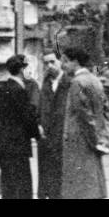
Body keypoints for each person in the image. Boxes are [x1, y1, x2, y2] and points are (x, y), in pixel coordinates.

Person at [59, 46, 108, 199]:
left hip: (79, 139)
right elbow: (106, 110)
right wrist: (102, 138)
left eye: (65, 62)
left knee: (78, 186)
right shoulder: (95, 81)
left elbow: (83, 115)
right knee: (92, 181)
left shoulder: (77, 83)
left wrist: (93, 138)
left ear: (75, 62)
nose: (63, 66)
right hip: (94, 138)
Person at [0, 54, 40, 199]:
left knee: (9, 186)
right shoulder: (19, 91)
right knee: (22, 187)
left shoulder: (2, 89)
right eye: (27, 68)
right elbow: (27, 118)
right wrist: (38, 134)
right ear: (21, 69)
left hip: (4, 143)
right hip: (18, 145)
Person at [38, 50, 70, 199]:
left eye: (52, 62)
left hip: (63, 134)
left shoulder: (69, 82)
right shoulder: (45, 83)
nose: (49, 66)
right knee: (46, 173)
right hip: (47, 136)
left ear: (60, 62)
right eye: (46, 63)